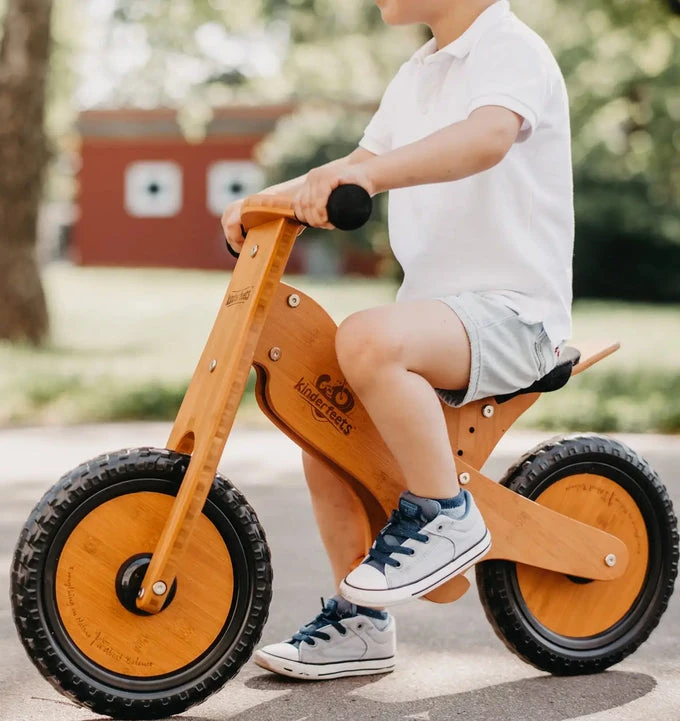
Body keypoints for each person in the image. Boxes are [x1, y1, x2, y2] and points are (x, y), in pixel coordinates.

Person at [221, 0, 573, 680]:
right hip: (439, 320)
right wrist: (266, 200)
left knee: (366, 340)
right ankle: (360, 622)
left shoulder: (510, 49)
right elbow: (358, 162)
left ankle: (447, 514)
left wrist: (371, 178)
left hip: (516, 316)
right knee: (320, 417)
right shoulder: (418, 73)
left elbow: (486, 138)